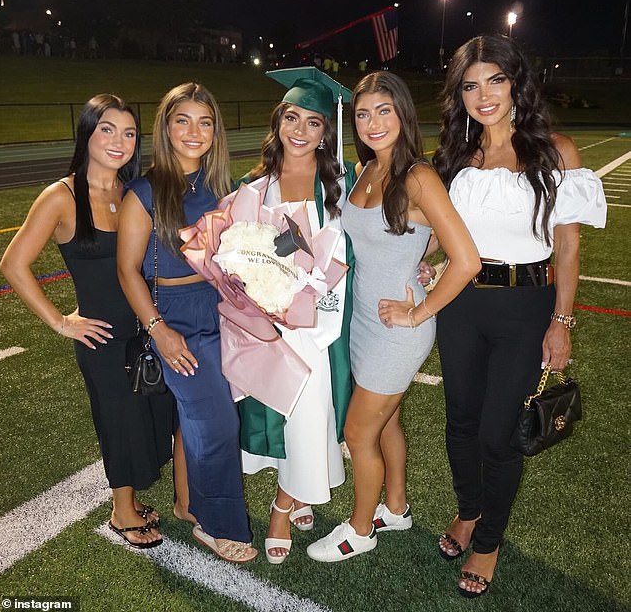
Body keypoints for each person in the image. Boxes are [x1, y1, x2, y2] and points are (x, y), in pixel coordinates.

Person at [421, 34, 607, 597]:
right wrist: (426, 265)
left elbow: (567, 247)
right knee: (460, 420)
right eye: (470, 85)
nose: (484, 95)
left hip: (526, 307)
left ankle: (488, 542)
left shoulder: (556, 150)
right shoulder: (453, 155)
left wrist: (562, 322)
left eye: (494, 80)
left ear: (515, 82)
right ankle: (470, 509)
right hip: (461, 305)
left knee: (498, 435)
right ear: (460, 95)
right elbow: (440, 236)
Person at [307, 71, 480, 562]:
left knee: (357, 431)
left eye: (384, 111)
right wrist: (420, 252)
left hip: (397, 331)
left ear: (403, 114)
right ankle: (396, 508)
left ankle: (361, 529)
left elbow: (467, 259)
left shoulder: (418, 177)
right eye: (362, 114)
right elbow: (404, 235)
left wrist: (418, 311)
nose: (372, 122)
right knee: (385, 425)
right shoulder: (366, 170)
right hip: (362, 321)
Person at [0, 94, 174, 548]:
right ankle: (122, 511)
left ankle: (132, 500)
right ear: (88, 133)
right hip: (102, 335)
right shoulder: (61, 197)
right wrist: (60, 322)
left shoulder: (134, 190)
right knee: (119, 419)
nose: (119, 141)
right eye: (107, 129)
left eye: (129, 133)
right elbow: (14, 265)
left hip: (147, 326)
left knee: (150, 415)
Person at [117, 82, 257, 563]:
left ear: (216, 130)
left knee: (199, 421)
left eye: (205, 121)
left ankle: (186, 504)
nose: (194, 132)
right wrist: (160, 330)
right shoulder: (145, 190)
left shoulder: (222, 188)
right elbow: (126, 271)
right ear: (166, 127)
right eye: (183, 120)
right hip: (174, 319)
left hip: (219, 313)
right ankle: (219, 525)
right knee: (216, 424)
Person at [237, 67, 355, 564]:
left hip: (321, 320)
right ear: (278, 121)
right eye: (292, 117)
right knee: (281, 412)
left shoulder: (343, 181)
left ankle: (284, 506)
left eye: (313, 122)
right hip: (270, 318)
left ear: (327, 130)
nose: (300, 130)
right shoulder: (254, 184)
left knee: (312, 412)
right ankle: (300, 489)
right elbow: (238, 249)